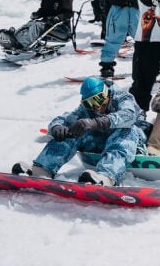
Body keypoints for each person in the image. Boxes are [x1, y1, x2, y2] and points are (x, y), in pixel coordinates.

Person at [12, 77, 147, 187]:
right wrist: (57, 127)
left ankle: (106, 176)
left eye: (98, 99)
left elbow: (129, 115)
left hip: (132, 141)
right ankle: (42, 170)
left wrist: (95, 123)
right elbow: (66, 118)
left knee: (126, 129)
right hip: (104, 142)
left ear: (106, 93)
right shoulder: (88, 109)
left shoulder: (122, 97)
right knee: (74, 129)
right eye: (89, 103)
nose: (96, 106)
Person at [0, 0, 73, 52]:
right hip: (48, 25)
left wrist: (58, 18)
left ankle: (24, 44)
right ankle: (15, 39)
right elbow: (43, 10)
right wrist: (37, 14)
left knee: (36, 25)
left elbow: (68, 13)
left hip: (62, 30)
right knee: (31, 23)